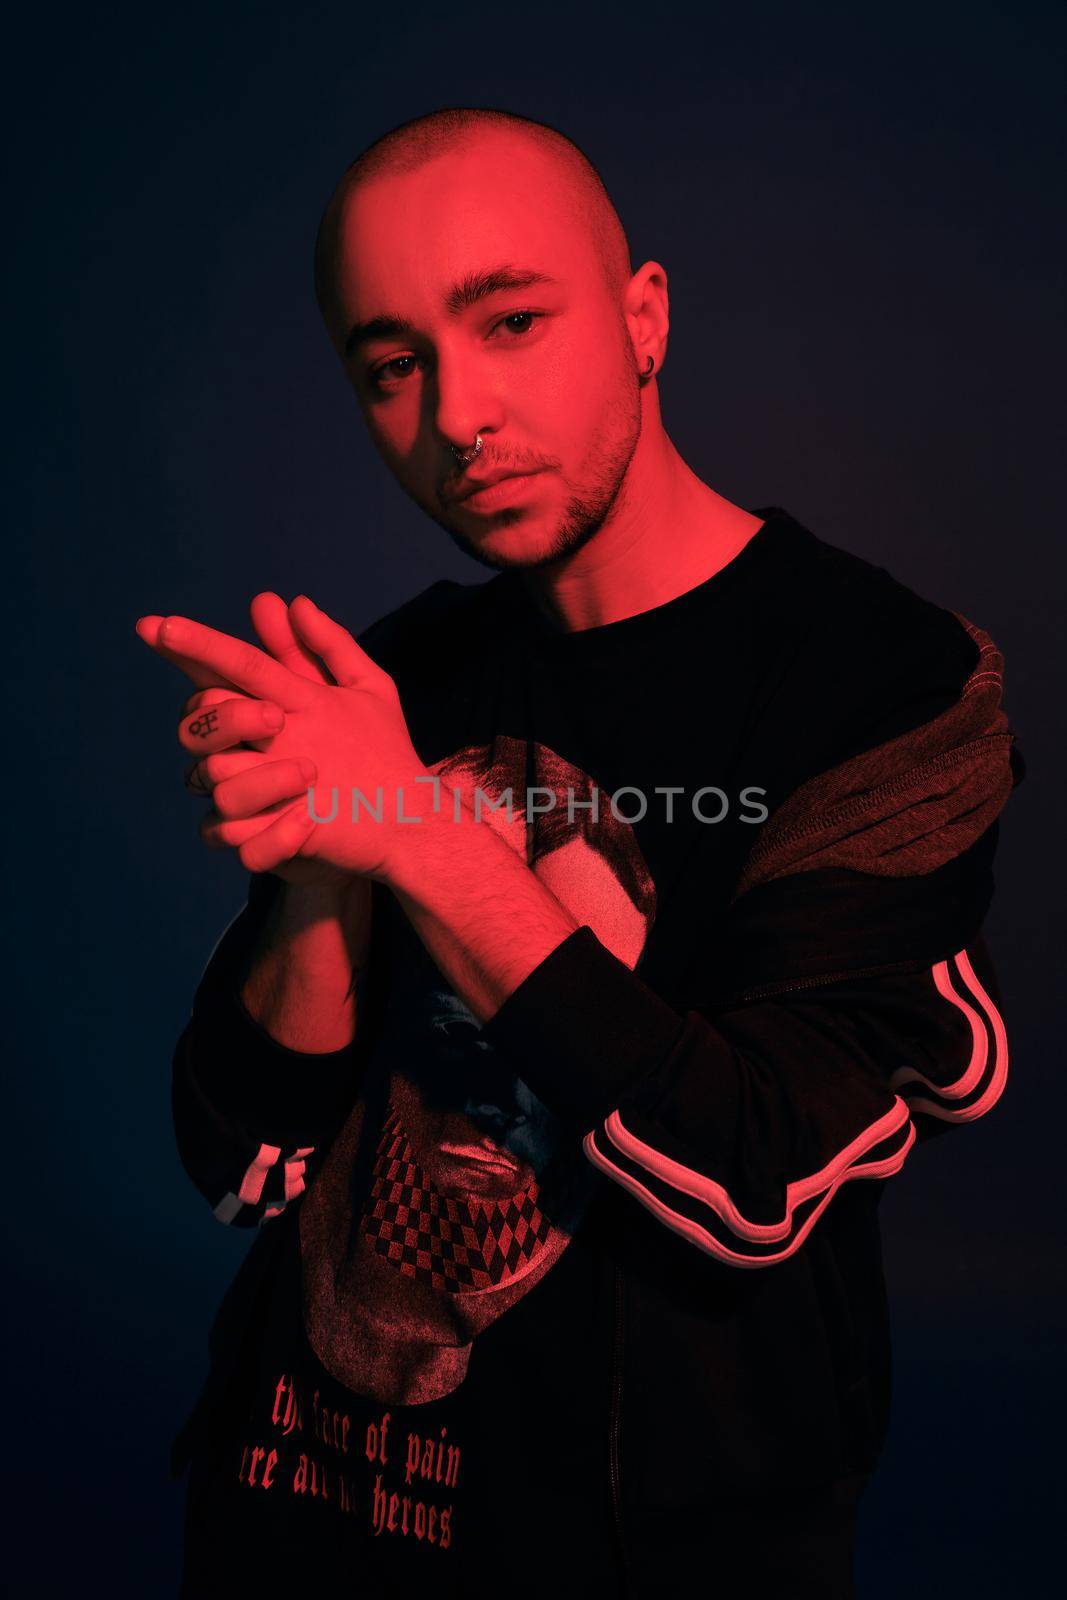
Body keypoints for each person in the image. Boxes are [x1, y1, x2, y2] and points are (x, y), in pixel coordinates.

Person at [140, 106, 1023, 1598]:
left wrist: (418, 830)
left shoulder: (891, 686)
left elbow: (753, 1177)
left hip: (641, 1550)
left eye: (512, 321)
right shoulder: (398, 677)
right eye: (392, 366)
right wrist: (314, 881)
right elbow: (247, 1174)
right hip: (294, 1513)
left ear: (643, 318)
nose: (458, 415)